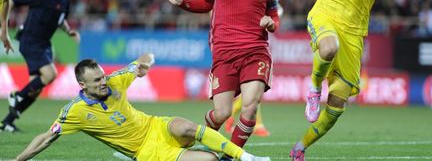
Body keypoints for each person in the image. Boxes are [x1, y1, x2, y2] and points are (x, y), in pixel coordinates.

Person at [257, 0, 393, 160]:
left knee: (336, 106)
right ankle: (314, 86)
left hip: (354, 33)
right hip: (324, 15)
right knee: (329, 47)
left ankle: (300, 147)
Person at [13, 53, 271, 161]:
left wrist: (146, 62)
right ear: (82, 84)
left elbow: (144, 58)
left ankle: (245, 157)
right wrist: (18, 159)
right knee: (210, 160)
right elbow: (46, 138)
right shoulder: (75, 112)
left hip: (154, 125)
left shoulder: (114, 81)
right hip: (146, 150)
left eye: (103, 76)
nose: (104, 82)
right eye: (97, 80)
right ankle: (213, 152)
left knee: (189, 127)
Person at [165, 0, 280, 154]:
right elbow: (205, 3)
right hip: (224, 53)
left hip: (255, 50)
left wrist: (271, 23)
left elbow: (275, 17)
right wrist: (181, 2)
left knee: (249, 107)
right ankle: (188, 142)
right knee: (222, 113)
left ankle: (230, 156)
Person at [0, 0, 80, 132]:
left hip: (45, 43)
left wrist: (69, 31)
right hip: (30, 40)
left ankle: (7, 122)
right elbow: (13, 0)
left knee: (35, 90)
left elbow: (60, 19)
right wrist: (4, 27)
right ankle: (17, 96)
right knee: (50, 74)